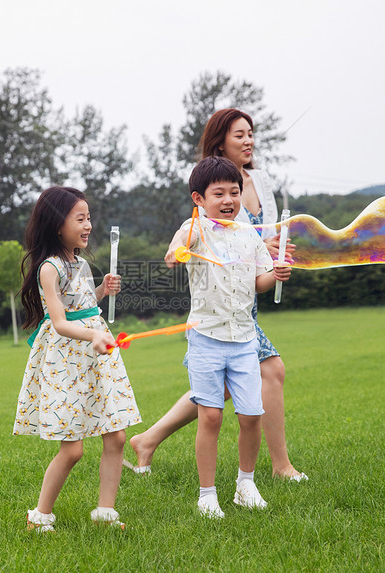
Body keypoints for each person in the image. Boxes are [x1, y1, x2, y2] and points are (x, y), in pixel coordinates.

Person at [128, 108, 308, 481]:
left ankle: (147, 440)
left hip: (247, 295)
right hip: (219, 301)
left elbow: (269, 231)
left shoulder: (258, 179)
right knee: (271, 370)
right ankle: (281, 466)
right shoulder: (211, 187)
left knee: (224, 386)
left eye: (251, 133)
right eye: (239, 135)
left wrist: (275, 253)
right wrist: (262, 242)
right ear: (220, 141)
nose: (248, 141)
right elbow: (212, 233)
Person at [165, 156, 289, 518]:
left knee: (251, 415)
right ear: (199, 198)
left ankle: (245, 485)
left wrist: (276, 274)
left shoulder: (248, 234)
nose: (228, 200)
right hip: (205, 340)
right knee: (211, 417)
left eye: (234, 192)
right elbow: (173, 254)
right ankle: (207, 495)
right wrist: (179, 253)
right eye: (218, 193)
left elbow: (259, 280)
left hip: (244, 341)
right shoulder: (194, 229)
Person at [13, 186, 141, 532]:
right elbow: (59, 322)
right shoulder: (49, 269)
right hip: (68, 360)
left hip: (97, 355)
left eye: (89, 218)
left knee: (115, 436)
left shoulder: (80, 263)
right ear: (58, 224)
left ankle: (105, 513)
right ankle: (39, 516)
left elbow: (83, 304)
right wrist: (95, 334)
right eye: (80, 219)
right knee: (72, 451)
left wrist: (102, 290)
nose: (88, 226)